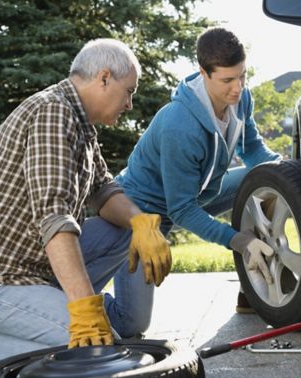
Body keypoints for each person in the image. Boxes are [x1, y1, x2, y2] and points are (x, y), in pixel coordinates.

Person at [0, 38, 172, 373]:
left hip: (27, 268)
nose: (130, 104)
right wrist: (83, 309)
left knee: (121, 232)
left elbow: (103, 190)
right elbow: (55, 216)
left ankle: (47, 314)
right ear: (104, 78)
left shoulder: (81, 124)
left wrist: (140, 222)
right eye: (129, 91)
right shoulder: (53, 111)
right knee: (97, 354)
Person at [115, 27, 281, 313]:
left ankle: (253, 288)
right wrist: (236, 240)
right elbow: (180, 210)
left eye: (242, 75)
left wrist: (285, 170)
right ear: (203, 73)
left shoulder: (241, 99)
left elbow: (252, 148)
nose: (238, 87)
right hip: (142, 212)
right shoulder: (180, 125)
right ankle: (68, 309)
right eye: (227, 80)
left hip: (196, 195)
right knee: (132, 323)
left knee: (269, 177)